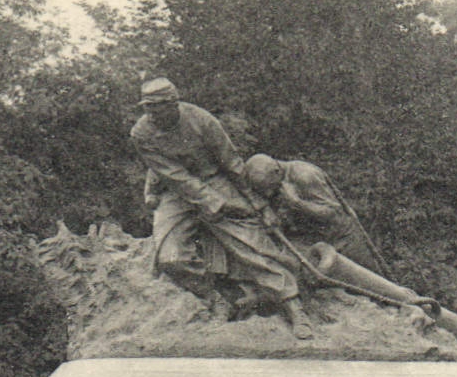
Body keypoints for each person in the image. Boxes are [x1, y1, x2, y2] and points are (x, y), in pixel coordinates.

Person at [131, 79, 312, 338]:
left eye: (156, 107)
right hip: (176, 191)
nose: (150, 114)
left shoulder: (201, 120)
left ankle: (294, 307)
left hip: (215, 179)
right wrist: (214, 203)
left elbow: (232, 163)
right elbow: (174, 175)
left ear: (173, 104)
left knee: (253, 245)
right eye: (147, 107)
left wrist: (257, 204)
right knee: (169, 257)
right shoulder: (141, 133)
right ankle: (216, 298)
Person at [241, 154, 383, 271]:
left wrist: (297, 203)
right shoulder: (272, 179)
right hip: (315, 241)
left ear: (276, 171)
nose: (268, 193)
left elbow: (333, 212)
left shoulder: (304, 176)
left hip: (343, 238)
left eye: (270, 187)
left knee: (374, 282)